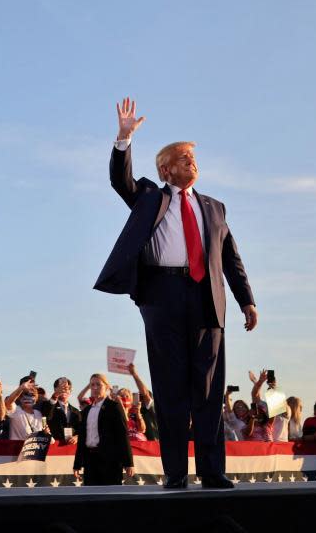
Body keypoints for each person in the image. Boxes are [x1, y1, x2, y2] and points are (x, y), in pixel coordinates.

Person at [94, 98, 257, 489]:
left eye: (193, 159)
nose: (192, 164)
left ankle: (213, 471)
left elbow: (231, 257)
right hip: (162, 294)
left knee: (209, 387)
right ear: (165, 169)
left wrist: (246, 300)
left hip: (207, 297)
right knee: (169, 387)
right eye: (183, 159)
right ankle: (175, 473)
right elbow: (122, 181)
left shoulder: (215, 207)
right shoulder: (151, 196)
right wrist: (123, 139)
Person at [73, 373, 134, 486]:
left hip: (110, 461)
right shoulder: (86, 411)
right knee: (91, 497)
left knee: (110, 498)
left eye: (99, 385)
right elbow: (82, 439)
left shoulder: (114, 407)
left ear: (106, 387)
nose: (95, 388)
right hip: (90, 461)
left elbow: (122, 435)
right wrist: (77, 464)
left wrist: (128, 462)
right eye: (92, 385)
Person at [127, 363, 158, 441]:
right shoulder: (129, 412)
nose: (138, 400)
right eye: (136, 397)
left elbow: (145, 393)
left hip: (151, 446)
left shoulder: (149, 408)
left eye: (141, 397)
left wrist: (134, 374)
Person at [47, 377, 82, 445]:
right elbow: (47, 417)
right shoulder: (49, 407)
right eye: (61, 388)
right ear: (55, 389)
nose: (64, 390)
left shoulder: (76, 411)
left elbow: (81, 429)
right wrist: (55, 395)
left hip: (71, 449)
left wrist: (77, 437)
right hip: (52, 449)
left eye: (67, 388)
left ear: (70, 391)